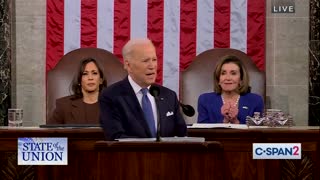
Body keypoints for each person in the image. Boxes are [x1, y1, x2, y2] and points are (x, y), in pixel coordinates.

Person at [99, 38, 187, 140]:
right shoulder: (111, 96)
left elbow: (182, 137)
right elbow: (116, 138)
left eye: (154, 60)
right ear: (128, 65)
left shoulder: (168, 96)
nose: (152, 66)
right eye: (146, 61)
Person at [197, 55, 264, 124]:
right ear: (218, 79)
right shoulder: (205, 100)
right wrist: (225, 121)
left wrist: (235, 121)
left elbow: (257, 132)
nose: (228, 78)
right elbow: (202, 131)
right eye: (223, 73)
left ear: (241, 79)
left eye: (233, 73)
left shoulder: (255, 100)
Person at [48, 57, 107, 124]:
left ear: (101, 80)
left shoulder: (113, 105)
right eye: (85, 74)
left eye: (94, 73)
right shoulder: (64, 105)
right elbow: (48, 132)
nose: (90, 78)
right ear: (79, 81)